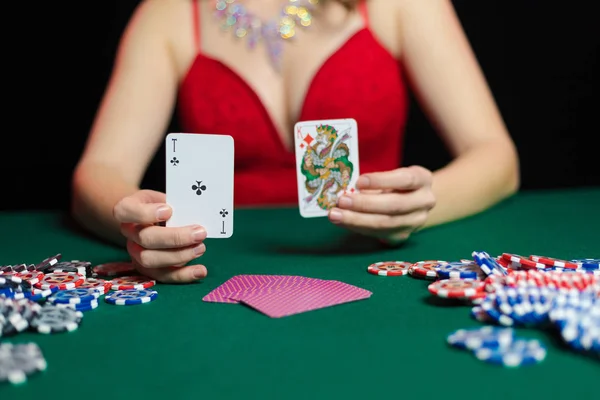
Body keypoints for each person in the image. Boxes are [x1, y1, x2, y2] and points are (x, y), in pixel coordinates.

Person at [71, 0, 520, 283]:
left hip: (372, 274)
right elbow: (99, 171)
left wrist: (424, 203)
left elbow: (497, 156)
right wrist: (136, 223)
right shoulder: (167, 12)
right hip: (217, 274)